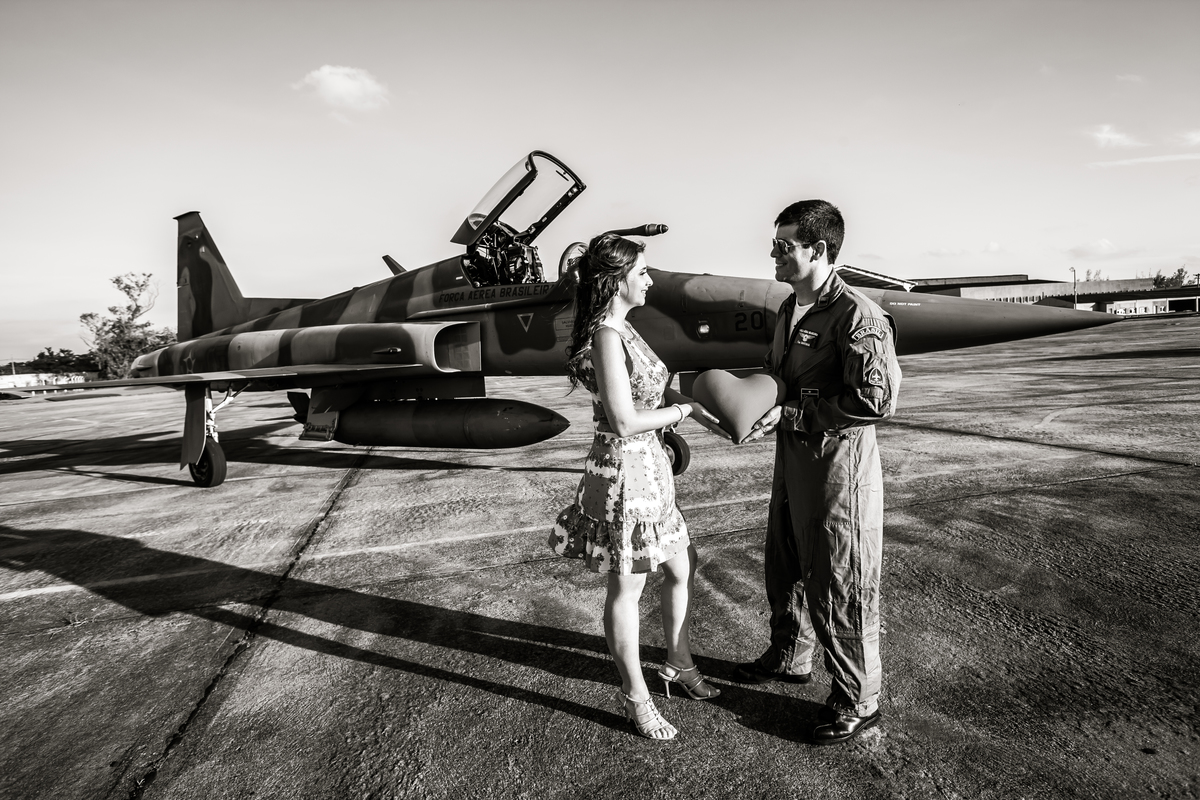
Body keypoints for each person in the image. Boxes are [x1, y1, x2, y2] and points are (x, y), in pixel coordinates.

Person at [549, 232, 725, 741]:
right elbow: (624, 420)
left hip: (651, 471)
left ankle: (678, 663)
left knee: (680, 567)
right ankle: (636, 697)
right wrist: (685, 411)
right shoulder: (607, 335)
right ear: (616, 280)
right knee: (628, 587)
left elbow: (650, 388)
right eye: (642, 272)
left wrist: (714, 415)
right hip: (624, 474)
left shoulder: (626, 330)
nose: (650, 279)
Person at [739, 200, 902, 745]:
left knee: (840, 578)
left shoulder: (858, 315)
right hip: (793, 460)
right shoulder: (791, 309)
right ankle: (791, 656)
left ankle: (860, 699)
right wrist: (749, 401)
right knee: (784, 562)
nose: (773, 253)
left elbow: (874, 399)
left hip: (837, 469)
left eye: (784, 245)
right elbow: (777, 373)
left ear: (820, 250)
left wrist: (794, 413)